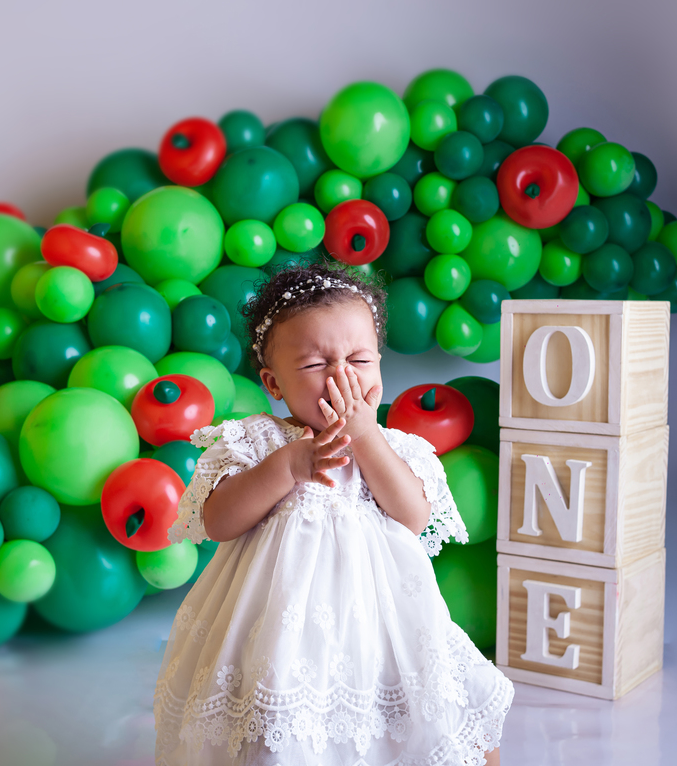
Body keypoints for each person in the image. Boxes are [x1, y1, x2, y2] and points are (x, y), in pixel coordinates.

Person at [154, 262, 513, 765]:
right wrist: (286, 467)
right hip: (280, 636)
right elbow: (219, 522)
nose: (342, 375)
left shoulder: (393, 447)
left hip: (381, 626)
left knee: (440, 716)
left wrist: (365, 437)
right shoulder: (258, 442)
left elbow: (413, 517)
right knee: (280, 727)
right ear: (274, 383)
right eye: (315, 364)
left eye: (360, 359)